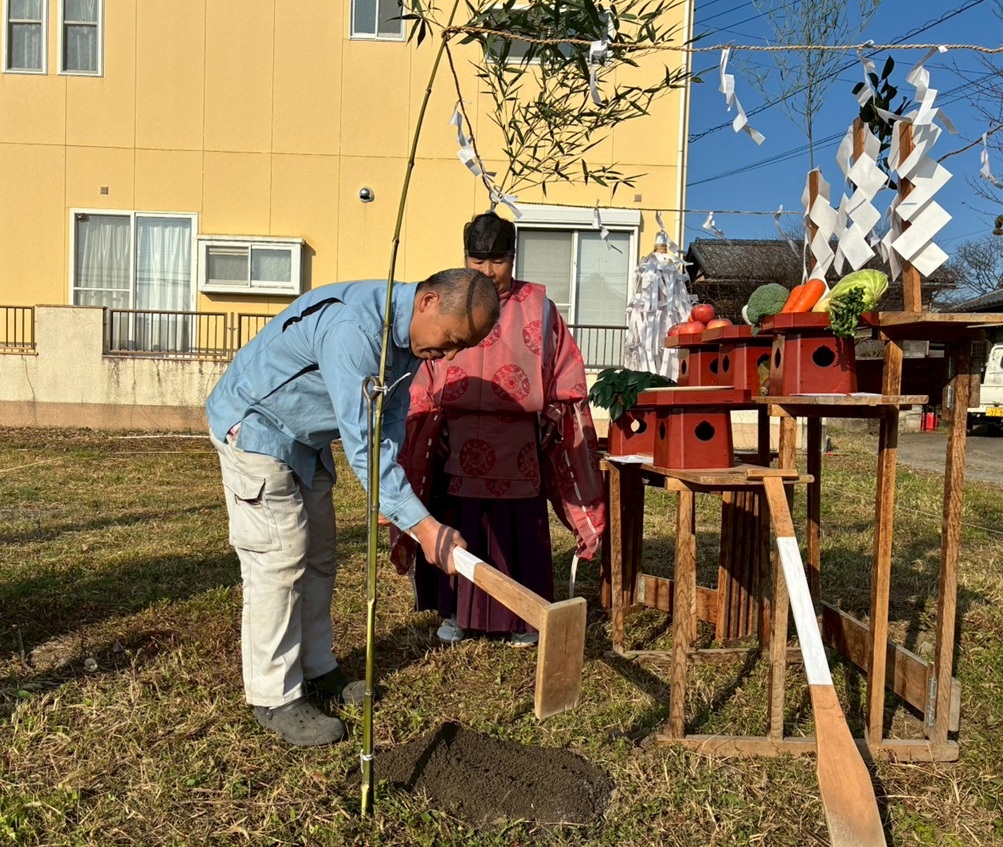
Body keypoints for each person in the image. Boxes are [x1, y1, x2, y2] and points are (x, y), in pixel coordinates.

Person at [206, 268, 500, 747]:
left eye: (460, 348)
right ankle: (274, 695)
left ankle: (317, 666)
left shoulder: (407, 342)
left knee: (320, 554)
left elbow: (390, 426)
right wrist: (424, 527)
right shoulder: (357, 331)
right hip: (257, 427)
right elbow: (364, 443)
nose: (448, 356)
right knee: (279, 559)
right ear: (428, 302)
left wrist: (398, 501)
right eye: (450, 341)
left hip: (305, 440)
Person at [391, 212, 606, 645]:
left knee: (518, 531)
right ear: (464, 259)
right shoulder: (448, 300)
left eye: (498, 261)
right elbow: (423, 370)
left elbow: (565, 373)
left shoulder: (541, 309)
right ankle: (457, 614)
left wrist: (552, 417)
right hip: (455, 441)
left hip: (519, 445)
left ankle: (524, 618)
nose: (488, 272)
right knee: (460, 525)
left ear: (514, 257)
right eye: (477, 261)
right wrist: (431, 420)